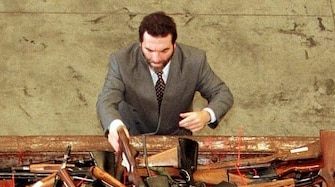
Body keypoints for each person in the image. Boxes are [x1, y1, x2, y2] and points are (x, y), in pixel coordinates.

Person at [96, 11, 234, 152]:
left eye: (164, 50)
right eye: (149, 50)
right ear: (140, 44)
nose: (156, 58)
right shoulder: (121, 61)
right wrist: (115, 126)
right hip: (132, 140)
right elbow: (106, 101)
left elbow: (222, 93)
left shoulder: (195, 60)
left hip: (177, 143)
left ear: (174, 44)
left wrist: (206, 115)